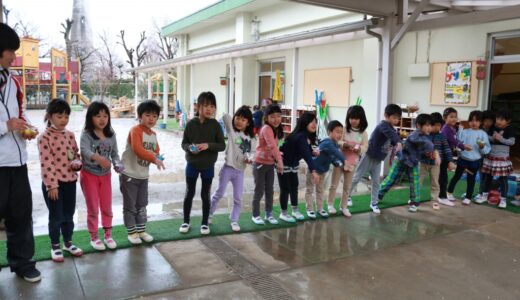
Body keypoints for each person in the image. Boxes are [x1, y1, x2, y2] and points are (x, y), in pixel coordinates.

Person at [0, 23, 40, 282]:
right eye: (10, 51)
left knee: (20, 214)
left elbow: (20, 113)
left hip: (17, 160)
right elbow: (7, 120)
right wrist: (5, 126)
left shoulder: (13, 81)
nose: (14, 56)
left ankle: (23, 263)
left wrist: (25, 126)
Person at [38, 99, 84, 262]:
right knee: (56, 216)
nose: (63, 120)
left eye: (66, 116)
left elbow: (75, 154)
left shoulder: (70, 135)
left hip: (70, 181)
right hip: (54, 185)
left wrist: (78, 163)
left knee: (68, 215)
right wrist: (51, 186)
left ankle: (68, 243)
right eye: (59, 116)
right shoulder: (44, 137)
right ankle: (55, 245)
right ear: (49, 116)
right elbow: (46, 163)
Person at [120, 100, 165, 244]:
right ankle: (132, 233)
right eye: (147, 115)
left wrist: (158, 158)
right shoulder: (135, 130)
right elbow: (138, 149)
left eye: (154, 116)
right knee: (130, 205)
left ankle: (141, 230)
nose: (151, 119)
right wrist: (154, 158)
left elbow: (156, 150)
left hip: (143, 176)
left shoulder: (153, 134)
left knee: (142, 204)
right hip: (129, 174)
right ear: (140, 116)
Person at [180, 92, 225, 235]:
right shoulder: (190, 124)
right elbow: (184, 143)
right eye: (205, 105)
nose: (209, 109)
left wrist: (208, 145)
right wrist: (190, 148)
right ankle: (186, 221)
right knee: (189, 193)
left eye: (212, 106)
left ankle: (205, 223)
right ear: (198, 107)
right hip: (192, 164)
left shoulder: (216, 125)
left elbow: (222, 145)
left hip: (208, 166)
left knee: (205, 195)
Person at [80, 101, 122, 251]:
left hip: (105, 176)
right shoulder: (86, 134)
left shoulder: (111, 134)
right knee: (93, 207)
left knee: (106, 206)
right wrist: (98, 158)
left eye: (105, 115)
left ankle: (108, 234)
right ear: (90, 118)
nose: (102, 119)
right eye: (98, 116)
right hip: (89, 175)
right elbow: (84, 150)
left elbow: (115, 154)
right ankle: (94, 237)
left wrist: (117, 164)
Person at [378, 114, 439, 212]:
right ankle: (378, 195)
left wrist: (431, 154)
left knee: (415, 183)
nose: (429, 128)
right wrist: (434, 151)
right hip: (401, 160)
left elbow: (424, 150)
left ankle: (414, 202)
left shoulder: (427, 137)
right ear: (419, 125)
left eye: (430, 126)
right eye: (427, 125)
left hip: (414, 163)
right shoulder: (415, 135)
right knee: (391, 179)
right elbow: (425, 143)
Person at [349, 104, 403, 214]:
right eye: (394, 117)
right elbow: (392, 135)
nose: (396, 120)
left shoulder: (393, 129)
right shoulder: (382, 125)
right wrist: (398, 141)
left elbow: (393, 140)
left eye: (398, 118)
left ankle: (373, 202)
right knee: (356, 177)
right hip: (369, 155)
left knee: (376, 182)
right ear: (386, 116)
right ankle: (347, 196)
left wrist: (397, 147)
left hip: (378, 159)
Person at [209, 105, 255, 232]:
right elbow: (226, 116)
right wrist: (242, 109)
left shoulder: (251, 139)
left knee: (238, 197)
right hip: (227, 169)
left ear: (248, 122)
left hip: (240, 172)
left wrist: (250, 158)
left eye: (243, 119)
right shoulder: (232, 132)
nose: (239, 121)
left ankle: (234, 220)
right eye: (238, 118)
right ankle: (209, 214)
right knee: (219, 193)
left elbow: (252, 152)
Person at [277, 112, 320, 223]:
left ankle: (295, 210)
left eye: (315, 122)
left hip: (293, 163)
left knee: (294, 187)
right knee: (285, 188)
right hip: (283, 163)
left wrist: (312, 152)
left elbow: (307, 150)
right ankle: (284, 213)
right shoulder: (300, 136)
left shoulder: (306, 136)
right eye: (311, 122)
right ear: (304, 122)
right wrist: (314, 170)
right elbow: (306, 155)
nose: (314, 124)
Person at [327, 105, 368, 217]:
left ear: (361, 119)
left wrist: (359, 148)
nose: (353, 120)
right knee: (334, 184)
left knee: (347, 186)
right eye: (351, 118)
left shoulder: (363, 133)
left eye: (356, 118)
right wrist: (344, 144)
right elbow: (337, 141)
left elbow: (365, 146)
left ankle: (343, 206)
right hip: (339, 160)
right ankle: (330, 204)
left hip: (352, 162)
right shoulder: (344, 129)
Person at [447, 110, 491, 205]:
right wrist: (460, 138)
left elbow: (487, 149)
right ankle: (449, 193)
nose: (474, 123)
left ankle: (468, 197)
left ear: (481, 122)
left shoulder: (483, 134)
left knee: (471, 179)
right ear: (469, 121)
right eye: (472, 120)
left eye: (477, 120)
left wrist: (482, 147)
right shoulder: (465, 131)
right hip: (463, 159)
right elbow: (458, 143)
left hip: (474, 161)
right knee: (456, 176)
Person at [305, 120, 346, 218]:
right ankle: (310, 209)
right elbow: (336, 153)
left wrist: (337, 163)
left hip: (322, 170)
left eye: (341, 132)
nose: (339, 134)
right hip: (313, 169)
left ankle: (320, 208)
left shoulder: (335, 144)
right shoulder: (327, 142)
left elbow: (332, 157)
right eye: (337, 132)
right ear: (329, 132)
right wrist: (345, 161)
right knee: (310, 189)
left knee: (320, 190)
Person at [252, 104, 284, 225]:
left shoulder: (275, 129)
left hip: (270, 164)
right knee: (259, 190)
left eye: (278, 116)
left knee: (270, 190)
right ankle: (255, 215)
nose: (276, 119)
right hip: (260, 164)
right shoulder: (266, 128)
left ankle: (268, 214)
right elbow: (271, 145)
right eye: (272, 116)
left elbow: (274, 147)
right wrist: (279, 160)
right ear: (266, 118)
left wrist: (278, 155)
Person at [478, 109, 516, 208]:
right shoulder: (493, 127)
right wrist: (492, 138)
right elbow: (488, 138)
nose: (498, 121)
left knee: (503, 179)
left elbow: (512, 142)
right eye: (497, 118)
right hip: (491, 157)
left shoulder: (510, 129)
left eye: (502, 119)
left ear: (508, 121)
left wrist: (501, 139)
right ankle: (484, 195)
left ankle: (503, 199)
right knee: (487, 177)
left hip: (502, 159)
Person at [419, 112, 455, 207]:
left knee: (437, 182)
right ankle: (414, 198)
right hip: (423, 163)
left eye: (439, 125)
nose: (436, 128)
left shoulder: (442, 136)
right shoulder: (425, 135)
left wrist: (450, 161)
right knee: (418, 181)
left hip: (436, 164)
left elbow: (447, 149)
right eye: (434, 125)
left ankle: (436, 199)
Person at [439, 107, 471, 202]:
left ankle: (443, 195)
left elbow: (455, 140)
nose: (454, 119)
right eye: (451, 116)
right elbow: (454, 141)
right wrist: (464, 146)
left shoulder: (451, 128)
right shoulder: (446, 129)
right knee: (443, 177)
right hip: (444, 155)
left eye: (455, 117)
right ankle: (442, 196)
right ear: (445, 118)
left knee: (443, 176)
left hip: (446, 154)